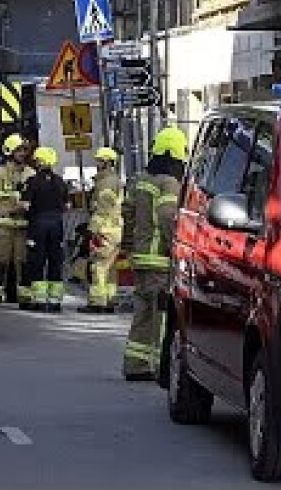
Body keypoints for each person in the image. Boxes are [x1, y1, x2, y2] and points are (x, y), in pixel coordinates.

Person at [122, 126, 187, 381]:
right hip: (160, 260)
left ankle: (135, 364)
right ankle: (160, 366)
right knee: (161, 315)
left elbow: (127, 215)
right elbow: (168, 217)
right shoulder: (169, 182)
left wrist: (129, 247)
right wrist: (178, 247)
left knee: (142, 312)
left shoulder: (141, 181)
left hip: (140, 258)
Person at [0, 133, 35, 306]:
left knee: (22, 262)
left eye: (24, 150)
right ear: (9, 151)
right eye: (18, 150)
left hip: (23, 226)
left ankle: (24, 296)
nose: (22, 154)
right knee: (1, 261)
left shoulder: (31, 173)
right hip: (3, 225)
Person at [21, 146, 69, 312]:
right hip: (57, 225)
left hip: (38, 225)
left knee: (38, 260)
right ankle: (55, 301)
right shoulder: (60, 182)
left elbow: (26, 206)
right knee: (55, 261)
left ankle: (40, 300)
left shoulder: (32, 182)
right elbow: (67, 206)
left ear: (40, 162)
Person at [80, 147, 124, 313]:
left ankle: (97, 302)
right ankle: (110, 299)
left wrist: (92, 230)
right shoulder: (115, 180)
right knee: (110, 268)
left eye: (99, 161)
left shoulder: (106, 183)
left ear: (106, 163)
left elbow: (102, 210)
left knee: (98, 266)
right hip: (115, 230)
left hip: (105, 230)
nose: (96, 164)